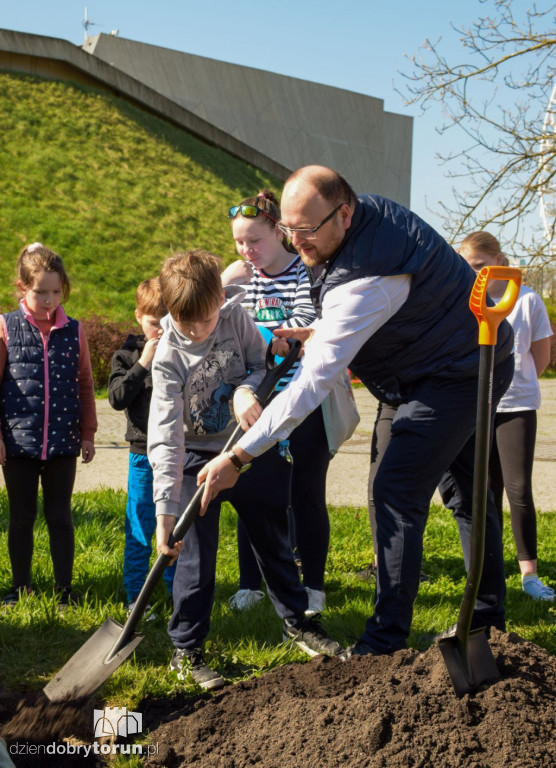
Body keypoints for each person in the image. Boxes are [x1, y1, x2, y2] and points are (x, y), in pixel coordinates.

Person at [198, 165, 515, 658]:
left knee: (404, 491)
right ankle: (486, 617)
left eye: (306, 230)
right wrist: (314, 334)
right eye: (288, 229)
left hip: (461, 372)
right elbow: (349, 320)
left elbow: (314, 384)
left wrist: (238, 456)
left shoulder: (371, 275)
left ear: (343, 214)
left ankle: (393, 638)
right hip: (421, 369)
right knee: (429, 488)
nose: (296, 241)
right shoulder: (360, 222)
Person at [148, 250, 343, 691]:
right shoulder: (166, 356)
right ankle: (187, 648)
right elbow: (165, 436)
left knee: (274, 538)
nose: (198, 331)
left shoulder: (236, 319)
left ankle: (297, 623)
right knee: (194, 560)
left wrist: (244, 391)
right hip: (195, 458)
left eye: (205, 318)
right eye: (186, 322)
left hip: (248, 445)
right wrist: (165, 516)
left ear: (221, 297)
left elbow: (261, 366)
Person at [222, 189, 331, 615]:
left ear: (279, 233)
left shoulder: (303, 273)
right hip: (255, 405)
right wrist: (225, 284)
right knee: (251, 492)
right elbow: (217, 327)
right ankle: (251, 583)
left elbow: (305, 328)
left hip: (303, 403)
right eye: (238, 242)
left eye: (255, 241)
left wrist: (271, 340)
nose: (247, 251)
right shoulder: (242, 278)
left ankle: (314, 588)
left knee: (305, 494)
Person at [0, 243, 97, 606]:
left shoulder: (74, 330)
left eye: (57, 291)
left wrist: (88, 433)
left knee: (60, 517)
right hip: (18, 444)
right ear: (22, 287)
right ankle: (19, 587)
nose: (49, 299)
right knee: (21, 518)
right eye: (40, 291)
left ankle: (64, 590)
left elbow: (85, 383)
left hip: (62, 442)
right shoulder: (6, 327)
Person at [460, 231, 554, 602]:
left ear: (499, 260)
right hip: (477, 407)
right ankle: (487, 569)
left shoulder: (528, 300)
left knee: (518, 489)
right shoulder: (466, 301)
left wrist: (518, 384)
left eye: (482, 266)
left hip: (517, 406)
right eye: (470, 269)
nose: (478, 275)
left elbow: (541, 356)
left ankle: (529, 574)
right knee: (483, 492)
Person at [108, 278, 176, 615]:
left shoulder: (181, 350)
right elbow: (117, 398)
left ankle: (177, 591)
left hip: (177, 453)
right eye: (153, 323)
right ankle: (136, 596)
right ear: (138, 316)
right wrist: (142, 363)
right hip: (142, 453)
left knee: (176, 527)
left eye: (167, 322)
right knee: (139, 525)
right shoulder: (126, 355)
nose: (161, 331)